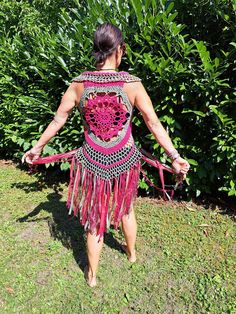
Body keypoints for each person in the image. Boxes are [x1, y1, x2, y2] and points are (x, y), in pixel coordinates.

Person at [22, 22, 190, 287]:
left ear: (96, 50)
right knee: (126, 208)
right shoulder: (132, 84)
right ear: (120, 50)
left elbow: (58, 120)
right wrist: (174, 155)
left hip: (92, 159)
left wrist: (37, 147)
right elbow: (153, 123)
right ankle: (132, 254)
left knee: (95, 216)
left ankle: (92, 276)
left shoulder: (79, 84)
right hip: (124, 157)